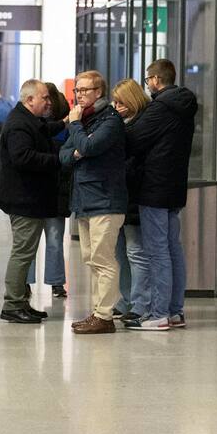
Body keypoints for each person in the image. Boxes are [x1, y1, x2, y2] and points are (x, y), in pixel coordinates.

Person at [123, 59, 197, 331]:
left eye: (147, 80)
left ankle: (158, 314)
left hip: (154, 187)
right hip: (174, 186)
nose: (147, 85)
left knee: (157, 252)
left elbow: (133, 140)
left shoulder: (160, 107)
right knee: (172, 249)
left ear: (155, 79)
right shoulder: (184, 105)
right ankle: (175, 312)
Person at [60, 70, 127, 335]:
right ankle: (98, 311)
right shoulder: (87, 120)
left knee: (103, 259)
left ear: (99, 92)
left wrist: (76, 129)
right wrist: (78, 146)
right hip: (85, 200)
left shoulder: (109, 120)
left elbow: (89, 148)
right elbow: (63, 155)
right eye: (77, 90)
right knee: (90, 258)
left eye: (85, 90)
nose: (79, 95)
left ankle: (105, 315)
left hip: (105, 200)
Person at [0, 79, 64, 324]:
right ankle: (12, 304)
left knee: (25, 251)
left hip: (28, 197)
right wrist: (59, 159)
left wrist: (65, 123)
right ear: (29, 100)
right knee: (23, 253)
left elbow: (44, 130)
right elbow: (23, 157)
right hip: (23, 198)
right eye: (44, 98)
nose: (49, 102)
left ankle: (20, 302)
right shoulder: (19, 125)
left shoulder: (28, 120)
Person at [109, 79, 151, 324]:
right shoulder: (124, 124)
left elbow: (132, 161)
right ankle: (125, 300)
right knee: (121, 252)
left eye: (121, 102)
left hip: (135, 195)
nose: (117, 106)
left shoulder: (140, 126)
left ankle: (139, 303)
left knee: (135, 252)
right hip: (123, 196)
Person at [25, 83, 72, 299]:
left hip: (36, 189)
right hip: (57, 189)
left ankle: (25, 282)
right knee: (54, 239)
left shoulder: (35, 125)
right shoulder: (65, 125)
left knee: (29, 241)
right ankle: (56, 284)